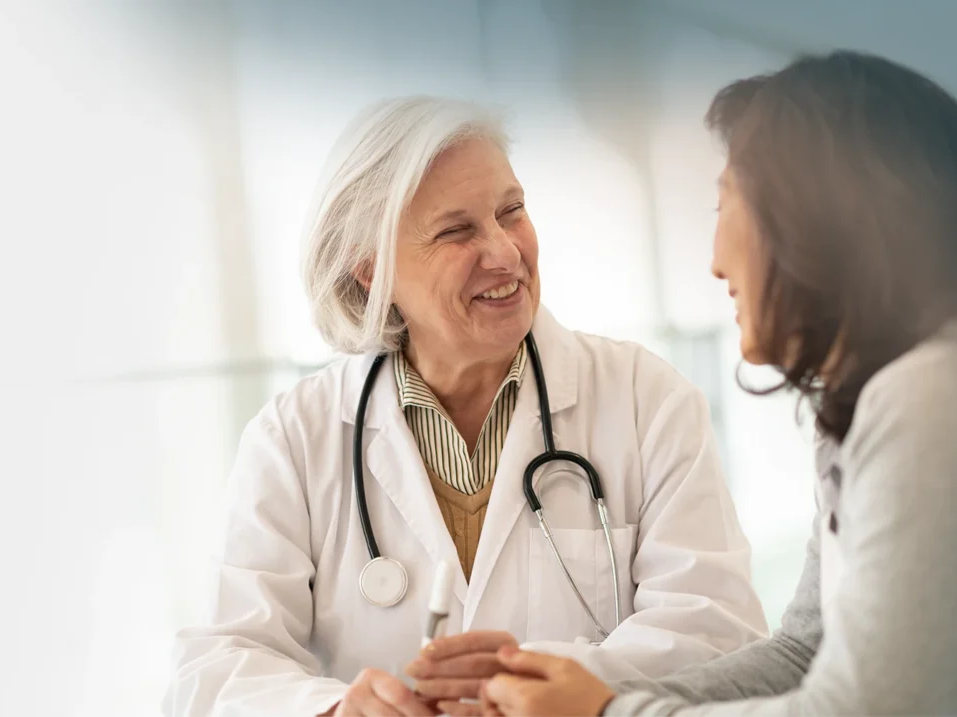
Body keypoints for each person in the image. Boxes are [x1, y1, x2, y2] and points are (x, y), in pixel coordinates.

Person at [162, 95, 768, 717]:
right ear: (370, 269)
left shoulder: (647, 400)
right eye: (457, 231)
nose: (505, 252)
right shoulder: (293, 438)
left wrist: (536, 685)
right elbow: (217, 668)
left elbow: (719, 635)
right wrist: (338, 711)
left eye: (513, 212)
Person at [474, 50, 957, 717]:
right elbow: (803, 651)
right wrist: (599, 697)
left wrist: (605, 713)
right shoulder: (869, 405)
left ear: (816, 217)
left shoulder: (934, 394)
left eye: (726, 202)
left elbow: (855, 707)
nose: (716, 261)